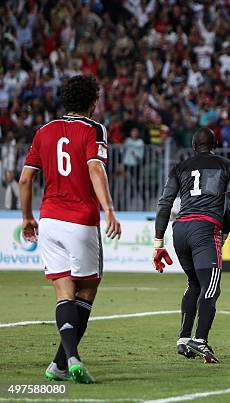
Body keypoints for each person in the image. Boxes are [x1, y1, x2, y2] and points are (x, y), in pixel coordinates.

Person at [19, 75, 121, 383]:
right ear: (93, 103)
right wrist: (109, 209)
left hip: (49, 220)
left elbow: (25, 179)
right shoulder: (94, 129)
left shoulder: (44, 131)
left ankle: (59, 365)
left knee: (64, 293)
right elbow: (94, 166)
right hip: (80, 221)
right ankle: (71, 358)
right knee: (86, 291)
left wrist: (26, 218)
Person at [153, 126, 230, 363]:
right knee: (211, 287)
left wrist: (158, 241)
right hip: (205, 228)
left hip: (179, 229)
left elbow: (165, 203)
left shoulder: (179, 167)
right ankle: (200, 340)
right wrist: (223, 232)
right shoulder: (228, 167)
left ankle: (183, 339)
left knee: (194, 283)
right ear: (215, 145)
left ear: (193, 147)